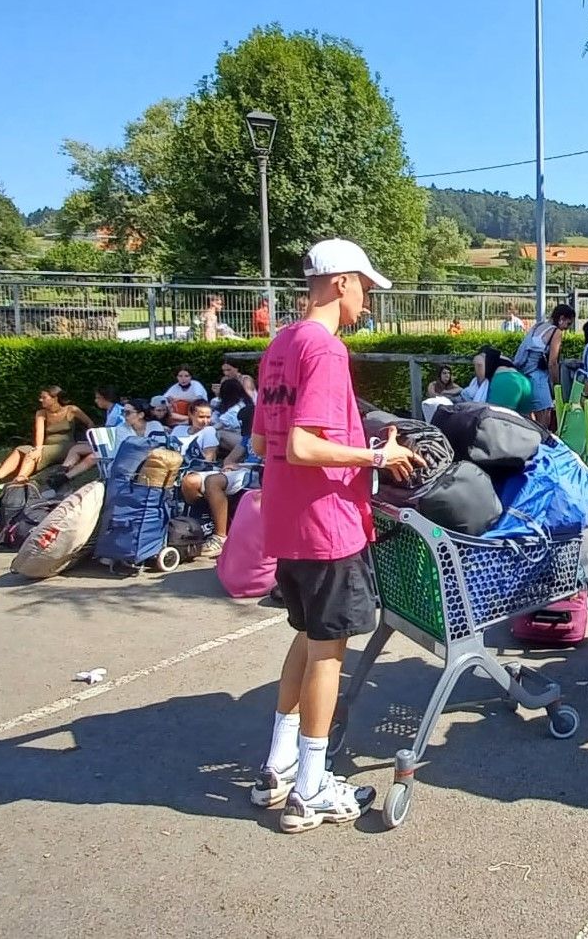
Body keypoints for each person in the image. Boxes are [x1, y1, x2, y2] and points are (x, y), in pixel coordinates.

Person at [249, 238, 420, 832]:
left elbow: (262, 443)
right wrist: (376, 456)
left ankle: (278, 765)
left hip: (288, 519)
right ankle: (311, 787)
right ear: (342, 281)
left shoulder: (280, 344)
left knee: (305, 636)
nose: (367, 301)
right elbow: (302, 445)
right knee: (328, 653)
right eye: (366, 288)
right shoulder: (324, 349)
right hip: (327, 523)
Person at [0, 387, 92, 494]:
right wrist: (38, 448)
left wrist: (91, 439)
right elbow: (40, 432)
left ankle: (18, 482)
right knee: (20, 450)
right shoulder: (41, 413)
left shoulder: (71, 410)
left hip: (65, 446)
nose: (41, 400)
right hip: (46, 446)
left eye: (44, 397)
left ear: (54, 398)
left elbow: (89, 423)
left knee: (31, 455)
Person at [179, 400, 252, 560]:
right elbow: (229, 459)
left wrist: (240, 467)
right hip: (239, 471)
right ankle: (204, 522)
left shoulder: (272, 436)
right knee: (189, 481)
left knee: (213, 481)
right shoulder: (247, 438)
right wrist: (231, 464)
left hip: (255, 473)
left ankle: (220, 538)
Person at [513, 303, 575, 431]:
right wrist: (556, 384)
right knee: (545, 416)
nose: (566, 329)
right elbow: (552, 363)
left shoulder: (538, 326)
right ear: (561, 318)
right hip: (538, 377)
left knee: (528, 415)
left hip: (523, 375)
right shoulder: (556, 332)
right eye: (568, 324)